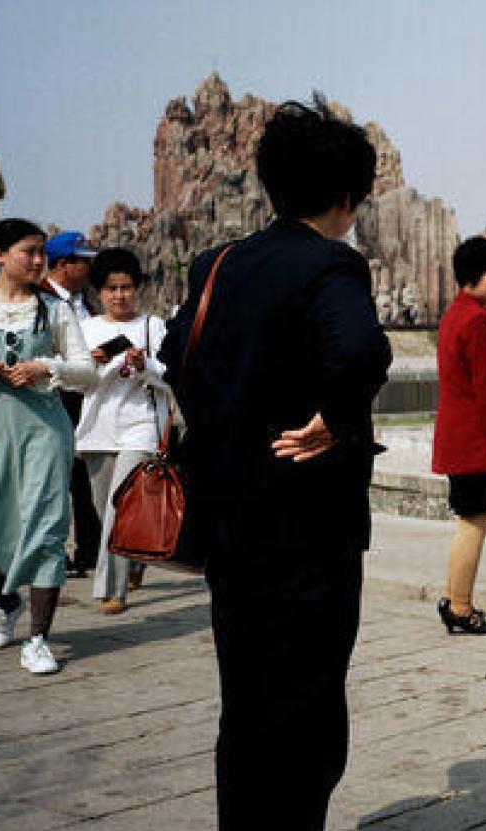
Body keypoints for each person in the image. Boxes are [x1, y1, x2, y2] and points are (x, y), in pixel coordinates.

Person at [161, 97, 391, 830]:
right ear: (348, 198)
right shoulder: (333, 264)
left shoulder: (216, 262)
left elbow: (174, 355)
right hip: (306, 523)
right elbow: (358, 350)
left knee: (246, 699)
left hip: (226, 521)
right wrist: (336, 417)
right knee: (307, 701)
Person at [0, 218, 96, 674]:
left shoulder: (55, 309)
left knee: (47, 528)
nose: (37, 260)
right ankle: (6, 604)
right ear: (0, 255)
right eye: (28, 251)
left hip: (45, 431)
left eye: (41, 252)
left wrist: (45, 368)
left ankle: (39, 639)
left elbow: (86, 371)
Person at [431, 236, 486, 635]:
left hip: (458, 434)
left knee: (471, 518)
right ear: (472, 276)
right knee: (475, 521)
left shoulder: (456, 314)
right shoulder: (478, 321)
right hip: (475, 439)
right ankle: (460, 606)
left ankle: (455, 598)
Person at [75, 248, 169, 615]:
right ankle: (133, 560)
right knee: (105, 511)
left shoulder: (152, 326)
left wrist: (144, 364)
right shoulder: (86, 329)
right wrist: (92, 365)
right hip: (96, 430)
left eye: (126, 287)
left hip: (141, 427)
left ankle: (111, 590)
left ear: (137, 288)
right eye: (111, 288)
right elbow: (75, 383)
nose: (119, 295)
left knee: (119, 507)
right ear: (99, 292)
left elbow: (170, 375)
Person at [44, 230, 104, 578]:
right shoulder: (42, 300)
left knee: (84, 477)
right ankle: (52, 551)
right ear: (64, 265)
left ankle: (90, 550)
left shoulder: (87, 303)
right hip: (55, 398)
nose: (90, 268)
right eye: (84, 261)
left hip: (87, 399)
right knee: (54, 478)